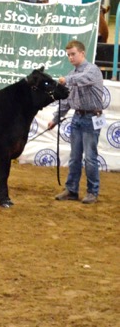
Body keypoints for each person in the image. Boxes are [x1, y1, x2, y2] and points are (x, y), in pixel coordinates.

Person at [48, 40, 105, 204]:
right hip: (78, 117)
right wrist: (56, 118)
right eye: (68, 55)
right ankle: (72, 190)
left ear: (82, 53)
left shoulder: (92, 70)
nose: (70, 58)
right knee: (74, 157)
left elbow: (83, 78)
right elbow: (67, 101)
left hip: (91, 117)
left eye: (73, 54)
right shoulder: (72, 74)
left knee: (90, 157)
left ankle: (92, 191)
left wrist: (66, 80)